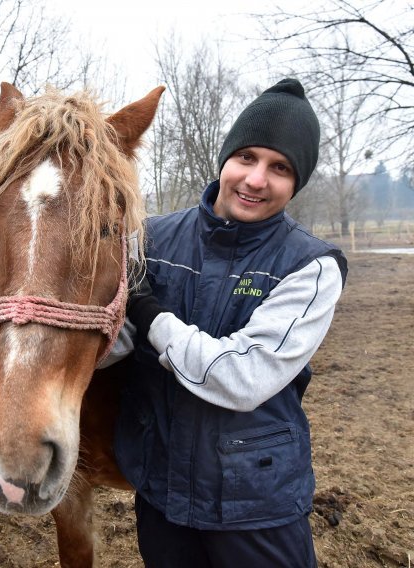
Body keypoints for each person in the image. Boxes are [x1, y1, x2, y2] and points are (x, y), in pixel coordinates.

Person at [113, 78, 348, 567]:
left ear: (296, 181)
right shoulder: (148, 238)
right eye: (246, 158)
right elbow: (112, 347)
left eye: (280, 168)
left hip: (255, 501)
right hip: (161, 490)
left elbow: (243, 377)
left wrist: (149, 314)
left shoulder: (311, 266)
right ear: (224, 159)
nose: (256, 179)